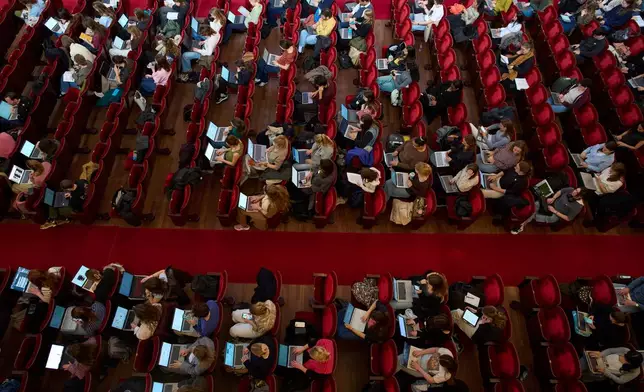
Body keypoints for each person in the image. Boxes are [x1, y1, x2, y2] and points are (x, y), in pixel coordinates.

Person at [512, 187, 590, 234]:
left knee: (535, 215)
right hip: (552, 204)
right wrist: (553, 198)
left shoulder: (578, 207)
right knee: (535, 205)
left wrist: (554, 211)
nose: (574, 191)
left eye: (576, 192)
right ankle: (522, 224)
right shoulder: (571, 189)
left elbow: (568, 218)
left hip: (556, 215)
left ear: (579, 196)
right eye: (576, 190)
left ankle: (522, 225)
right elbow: (561, 191)